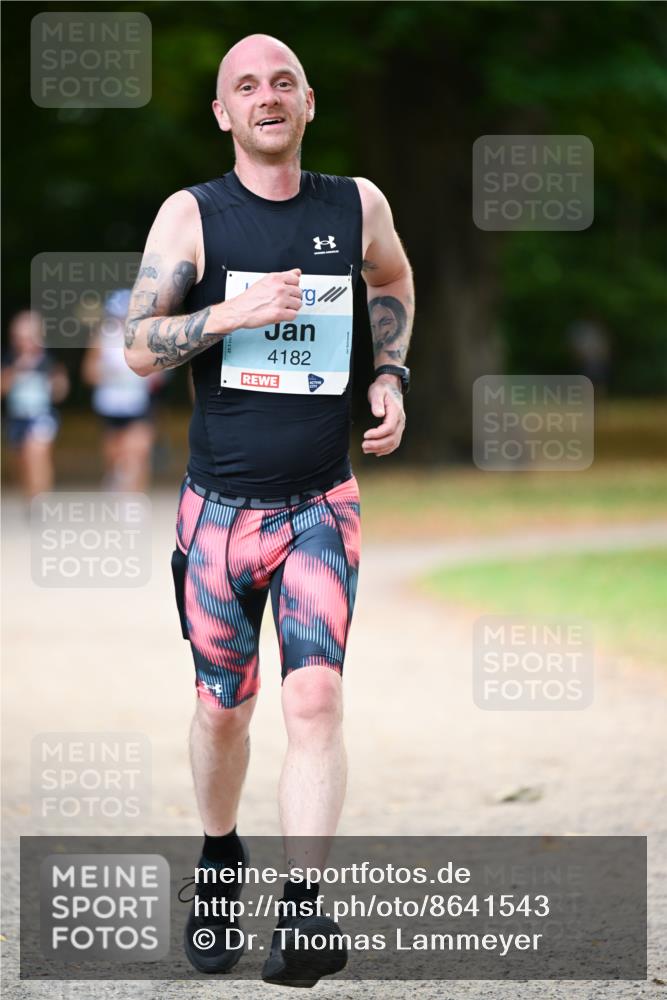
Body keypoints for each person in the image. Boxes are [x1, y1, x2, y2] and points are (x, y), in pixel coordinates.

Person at [125, 33, 414, 986]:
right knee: (224, 710)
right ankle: (218, 864)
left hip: (322, 503)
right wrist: (226, 316)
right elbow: (137, 344)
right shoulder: (194, 216)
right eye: (244, 86)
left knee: (316, 697)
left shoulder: (354, 203)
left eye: (282, 80)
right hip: (218, 515)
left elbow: (392, 281)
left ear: (308, 100)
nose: (265, 95)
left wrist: (389, 374)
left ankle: (303, 914)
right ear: (223, 114)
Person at [82, 289, 165, 492]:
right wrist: (112, 373)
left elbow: (158, 375)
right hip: (111, 404)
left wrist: (151, 374)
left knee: (139, 450)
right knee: (115, 454)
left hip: (138, 403)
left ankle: (135, 498)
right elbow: (89, 374)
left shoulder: (146, 339)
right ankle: (116, 479)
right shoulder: (102, 339)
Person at [1, 310, 69, 502]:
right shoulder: (8, 359)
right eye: (20, 337)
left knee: (37, 455)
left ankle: (41, 500)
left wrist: (56, 382)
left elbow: (61, 392)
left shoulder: (50, 359)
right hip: (16, 417)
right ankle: (31, 496)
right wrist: (16, 369)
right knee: (21, 464)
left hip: (42, 416)